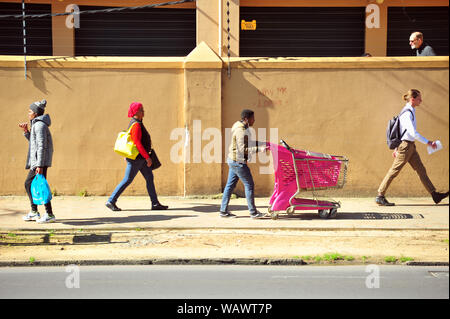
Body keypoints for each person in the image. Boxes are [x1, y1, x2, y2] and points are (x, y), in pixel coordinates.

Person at [376, 89, 449, 206]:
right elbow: (412, 132)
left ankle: (434, 195)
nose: (421, 100)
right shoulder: (407, 113)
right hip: (405, 147)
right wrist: (428, 142)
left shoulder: (411, 111)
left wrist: (397, 147)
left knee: (421, 170)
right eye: (419, 98)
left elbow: (402, 132)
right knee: (394, 171)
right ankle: (380, 195)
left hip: (410, 146)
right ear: (412, 99)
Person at [106, 102, 168, 211]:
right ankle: (111, 200)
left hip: (141, 159)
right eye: (142, 110)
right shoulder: (136, 125)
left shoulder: (138, 122)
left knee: (149, 177)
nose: (144, 112)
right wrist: (147, 157)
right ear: (136, 112)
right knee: (127, 179)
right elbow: (137, 143)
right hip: (137, 159)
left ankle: (155, 203)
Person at [220, 109, 267, 218]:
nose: (254, 120)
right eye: (252, 118)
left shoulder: (243, 128)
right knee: (249, 184)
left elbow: (248, 143)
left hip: (233, 160)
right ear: (246, 119)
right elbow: (243, 148)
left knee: (230, 186)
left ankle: (223, 211)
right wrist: (259, 149)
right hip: (238, 162)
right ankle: (253, 212)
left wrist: (262, 144)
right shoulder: (241, 130)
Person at [19, 99, 55, 223]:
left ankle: (47, 214)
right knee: (36, 185)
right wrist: (26, 132)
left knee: (34, 185)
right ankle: (36, 212)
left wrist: (39, 164)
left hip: (40, 162)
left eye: (30, 111)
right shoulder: (36, 124)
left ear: (35, 113)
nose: (28, 113)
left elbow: (41, 146)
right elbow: (34, 143)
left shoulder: (39, 125)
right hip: (38, 161)